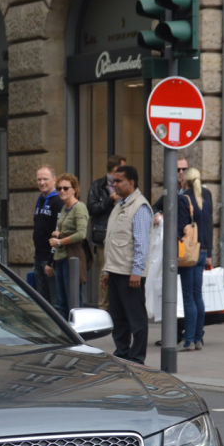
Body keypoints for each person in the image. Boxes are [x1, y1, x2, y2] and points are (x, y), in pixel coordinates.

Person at [100, 165, 151, 364]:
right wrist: (106, 270)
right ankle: (122, 353)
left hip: (130, 273)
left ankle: (137, 358)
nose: (115, 185)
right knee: (118, 317)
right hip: (115, 270)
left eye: (119, 181)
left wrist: (137, 271)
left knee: (136, 318)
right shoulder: (119, 205)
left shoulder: (140, 206)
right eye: (113, 181)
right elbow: (112, 240)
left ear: (132, 183)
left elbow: (141, 242)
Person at [176, 166, 214, 351]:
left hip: (189, 252)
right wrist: (209, 253)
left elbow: (180, 227)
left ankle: (189, 340)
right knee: (198, 296)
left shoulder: (184, 199)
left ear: (184, 180)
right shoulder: (205, 197)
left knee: (188, 297)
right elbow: (208, 226)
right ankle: (198, 338)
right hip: (202, 251)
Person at [86, 155, 125, 310]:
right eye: (122, 169)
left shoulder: (125, 186)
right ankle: (104, 309)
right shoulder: (98, 186)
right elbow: (92, 209)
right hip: (104, 237)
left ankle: (117, 309)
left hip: (121, 236)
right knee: (105, 275)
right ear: (115, 170)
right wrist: (110, 199)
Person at [49, 173, 89, 320]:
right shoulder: (64, 208)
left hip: (71, 258)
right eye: (59, 188)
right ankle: (67, 336)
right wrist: (58, 234)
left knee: (73, 302)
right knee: (62, 303)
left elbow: (81, 234)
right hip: (59, 258)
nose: (62, 191)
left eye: (66, 188)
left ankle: (79, 335)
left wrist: (60, 241)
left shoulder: (79, 207)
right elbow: (67, 230)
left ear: (75, 189)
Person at [32, 166, 60, 302]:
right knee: (42, 302)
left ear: (54, 180)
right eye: (39, 179)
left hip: (50, 260)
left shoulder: (58, 201)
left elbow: (57, 233)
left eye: (45, 179)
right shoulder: (40, 200)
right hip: (39, 257)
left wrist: (51, 261)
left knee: (55, 303)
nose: (42, 182)